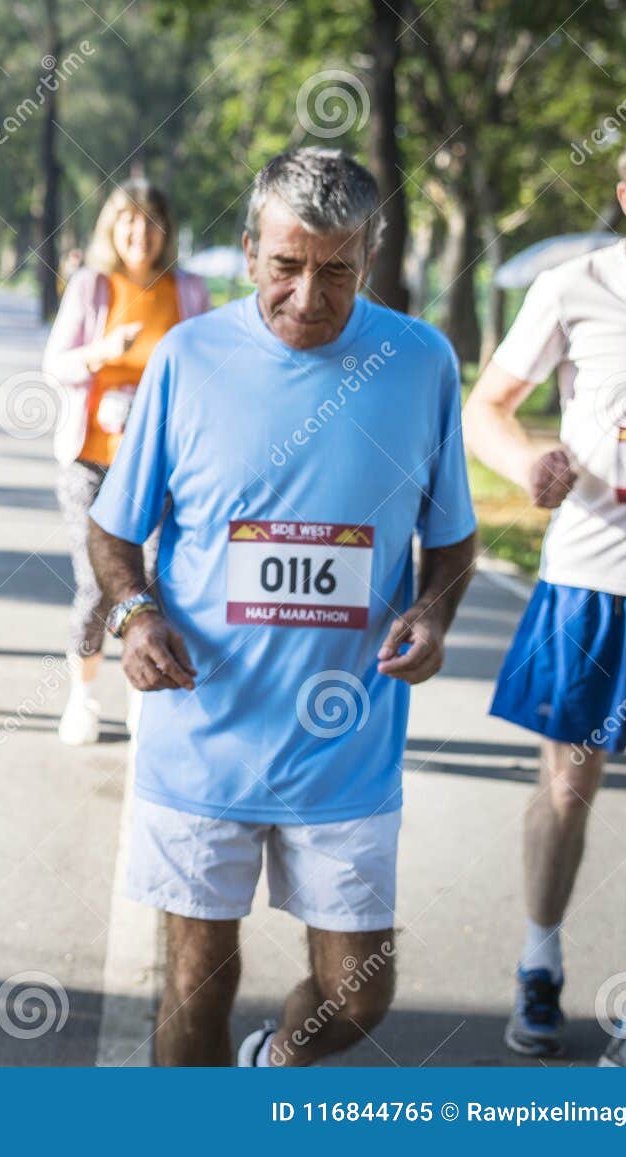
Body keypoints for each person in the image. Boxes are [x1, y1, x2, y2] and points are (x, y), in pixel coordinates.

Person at [89, 149, 477, 1066]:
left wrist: (434, 613)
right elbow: (114, 531)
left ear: (370, 258)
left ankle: (274, 1068)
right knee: (195, 984)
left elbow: (454, 536)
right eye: (287, 267)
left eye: (336, 270)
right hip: (203, 732)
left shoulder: (421, 362)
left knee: (359, 991)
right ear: (249, 250)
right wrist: (137, 615)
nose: (309, 296)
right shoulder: (188, 358)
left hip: (347, 743)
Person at [465, 117, 626, 1067]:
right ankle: (539, 959)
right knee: (569, 787)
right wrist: (527, 465)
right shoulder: (575, 287)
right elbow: (488, 407)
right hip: (590, 579)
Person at [41, 181, 210, 745]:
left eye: (153, 222)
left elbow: (205, 368)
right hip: (91, 459)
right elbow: (55, 364)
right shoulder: (93, 285)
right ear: (112, 230)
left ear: (167, 231)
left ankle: (146, 697)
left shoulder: (187, 290)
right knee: (97, 583)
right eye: (129, 223)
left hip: (163, 463)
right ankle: (82, 699)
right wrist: (103, 354)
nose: (141, 234)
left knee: (158, 580)